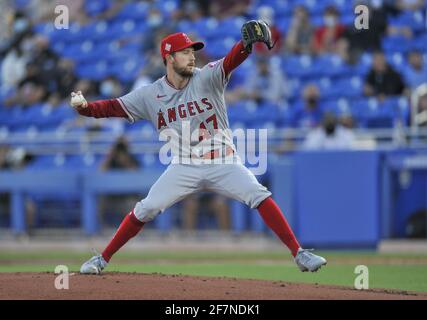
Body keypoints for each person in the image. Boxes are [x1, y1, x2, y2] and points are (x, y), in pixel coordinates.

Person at [71, 22, 326, 274]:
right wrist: (86, 109)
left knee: (258, 194)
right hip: (184, 164)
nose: (191, 56)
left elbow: (230, 61)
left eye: (192, 51)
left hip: (223, 161)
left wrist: (246, 46)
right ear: (169, 57)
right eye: (184, 52)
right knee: (146, 208)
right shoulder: (149, 95)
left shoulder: (207, 76)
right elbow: (113, 107)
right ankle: (101, 259)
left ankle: (299, 253)